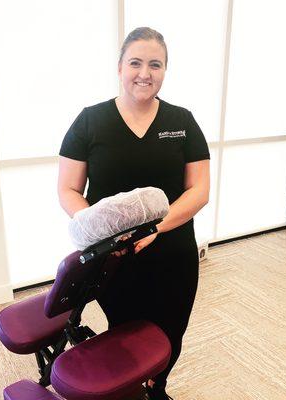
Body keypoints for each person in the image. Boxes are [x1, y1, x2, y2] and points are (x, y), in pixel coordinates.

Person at [58, 27, 210, 400]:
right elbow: (68, 190)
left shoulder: (182, 122)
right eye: (136, 63)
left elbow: (200, 190)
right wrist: (98, 228)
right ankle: (128, 390)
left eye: (155, 65)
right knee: (124, 333)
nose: (145, 73)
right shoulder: (90, 121)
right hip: (115, 256)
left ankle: (157, 387)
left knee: (171, 330)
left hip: (173, 250)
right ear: (120, 66)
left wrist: (156, 227)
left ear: (165, 70)